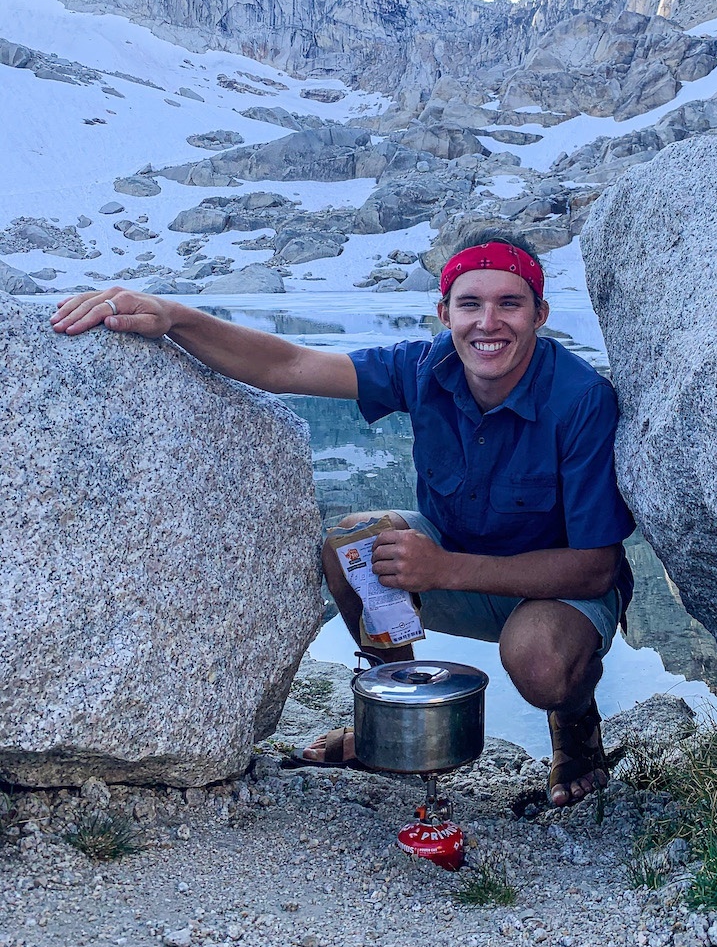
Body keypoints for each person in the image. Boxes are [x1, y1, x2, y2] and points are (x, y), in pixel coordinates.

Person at [50, 229, 635, 806]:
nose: (489, 323)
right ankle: (395, 725)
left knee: (541, 662)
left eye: (510, 303)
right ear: (444, 313)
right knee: (350, 545)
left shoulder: (580, 399)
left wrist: (445, 568)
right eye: (470, 304)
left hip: (557, 592)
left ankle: (575, 730)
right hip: (448, 561)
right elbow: (289, 365)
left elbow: (595, 569)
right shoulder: (425, 368)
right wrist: (174, 316)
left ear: (540, 314)